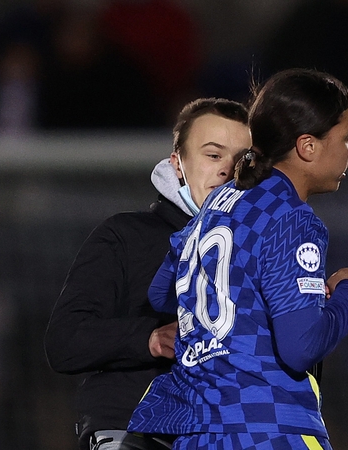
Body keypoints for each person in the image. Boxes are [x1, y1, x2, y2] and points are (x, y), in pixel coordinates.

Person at [127, 69, 348, 450]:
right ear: (307, 146)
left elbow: (162, 293)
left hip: (198, 433)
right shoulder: (292, 218)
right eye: (347, 136)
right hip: (265, 428)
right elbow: (301, 346)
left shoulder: (215, 204)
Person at [44, 97, 251, 450]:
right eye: (213, 155)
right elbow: (65, 341)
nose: (226, 169)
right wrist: (149, 338)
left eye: (242, 160)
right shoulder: (124, 235)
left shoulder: (261, 249)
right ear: (178, 163)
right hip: (131, 431)